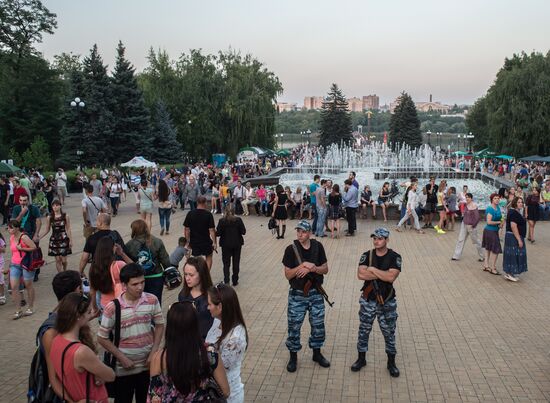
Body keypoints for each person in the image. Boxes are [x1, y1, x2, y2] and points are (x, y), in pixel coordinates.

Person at [98, 264, 165, 403]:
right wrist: (121, 357)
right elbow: (102, 338)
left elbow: (160, 325)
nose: (140, 287)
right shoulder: (112, 307)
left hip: (147, 367)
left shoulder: (152, 300)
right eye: (135, 284)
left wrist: (154, 351)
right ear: (124, 285)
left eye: (142, 282)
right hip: (123, 370)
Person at [147, 302, 230, 402]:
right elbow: (225, 391)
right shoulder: (210, 354)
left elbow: (154, 396)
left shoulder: (158, 358)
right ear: (195, 325)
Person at [351, 227, 400, 377]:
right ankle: (361, 359)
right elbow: (361, 275)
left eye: (380, 238)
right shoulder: (367, 255)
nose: (376, 241)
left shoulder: (394, 257)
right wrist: (381, 273)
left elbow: (391, 277)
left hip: (387, 301)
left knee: (389, 332)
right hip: (368, 301)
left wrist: (372, 270)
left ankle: (391, 362)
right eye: (374, 238)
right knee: (364, 330)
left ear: (387, 240)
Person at [282, 220, 330, 372]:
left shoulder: (318, 247)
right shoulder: (291, 249)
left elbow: (325, 269)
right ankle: (293, 357)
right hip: (297, 295)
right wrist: (301, 267)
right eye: (298, 231)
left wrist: (313, 268)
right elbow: (288, 274)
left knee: (318, 326)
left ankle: (317, 354)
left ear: (309, 232)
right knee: (294, 326)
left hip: (316, 293)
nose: (300, 234)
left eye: (303, 231)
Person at [50, 292, 115, 402]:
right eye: (89, 312)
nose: (91, 315)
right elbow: (110, 376)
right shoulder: (81, 352)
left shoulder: (56, 340)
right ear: (78, 317)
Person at [37, 271, 85, 401]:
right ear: (77, 290)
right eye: (82, 286)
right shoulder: (51, 331)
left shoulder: (71, 318)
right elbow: (54, 378)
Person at [206, 284, 248, 403]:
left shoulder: (236, 339)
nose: (207, 307)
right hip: (213, 391)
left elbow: (219, 367)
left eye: (210, 304)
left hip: (228, 396)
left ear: (220, 306)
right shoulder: (217, 321)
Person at [125, 219, 171, 305]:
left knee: (140, 303)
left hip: (138, 279)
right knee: (156, 302)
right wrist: (168, 277)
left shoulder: (129, 245)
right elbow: (165, 261)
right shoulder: (157, 241)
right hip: (157, 276)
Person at [90, 236, 133, 314]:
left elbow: (93, 291)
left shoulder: (94, 268)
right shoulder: (118, 265)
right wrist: (122, 253)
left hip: (105, 304)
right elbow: (135, 268)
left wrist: (95, 307)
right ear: (113, 248)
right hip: (120, 302)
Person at [178, 256, 214, 340]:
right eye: (185, 274)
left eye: (191, 275)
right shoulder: (183, 295)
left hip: (208, 341)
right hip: (188, 341)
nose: (187, 278)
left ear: (201, 274)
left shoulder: (212, 295)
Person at [7, 219, 37, 319]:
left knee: (28, 285)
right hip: (14, 264)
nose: (9, 229)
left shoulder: (24, 237)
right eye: (8, 227)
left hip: (26, 264)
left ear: (17, 228)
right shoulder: (11, 238)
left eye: (11, 228)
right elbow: (13, 251)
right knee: (14, 286)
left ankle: (31, 307)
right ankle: (18, 310)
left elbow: (34, 247)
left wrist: (22, 249)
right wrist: (10, 264)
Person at [184, 195, 217, 270]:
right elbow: (212, 230)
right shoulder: (208, 214)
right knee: (209, 257)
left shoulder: (190, 213)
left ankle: (197, 274)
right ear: (205, 203)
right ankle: (206, 275)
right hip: (206, 241)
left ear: (197, 203)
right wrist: (214, 242)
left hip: (194, 241)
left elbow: (187, 229)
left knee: (196, 259)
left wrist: (187, 242)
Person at [39, 199, 73, 273]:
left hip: (64, 239)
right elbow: (47, 229)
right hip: (54, 240)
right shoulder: (49, 217)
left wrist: (70, 240)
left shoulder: (65, 216)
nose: (55, 207)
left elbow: (68, 229)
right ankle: (60, 274)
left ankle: (64, 270)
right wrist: (40, 237)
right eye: (53, 206)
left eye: (57, 205)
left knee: (64, 260)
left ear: (60, 206)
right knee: (57, 260)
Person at [216, 205, 246, 286]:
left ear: (225, 211)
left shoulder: (222, 221)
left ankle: (226, 281)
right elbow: (243, 232)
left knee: (226, 263)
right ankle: (235, 280)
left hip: (225, 245)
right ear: (234, 211)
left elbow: (218, 234)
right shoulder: (238, 220)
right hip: (237, 244)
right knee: (236, 262)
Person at [451, 193, 485, 262]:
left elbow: (477, 217)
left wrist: (473, 225)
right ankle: (456, 256)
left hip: (471, 226)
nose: (467, 198)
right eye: (466, 197)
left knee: (476, 241)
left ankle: (483, 256)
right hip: (464, 224)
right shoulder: (466, 204)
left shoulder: (474, 205)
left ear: (471, 198)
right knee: (460, 239)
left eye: (468, 197)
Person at [503, 197, 528, 282]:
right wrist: (519, 240)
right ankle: (509, 273)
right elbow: (513, 226)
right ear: (515, 203)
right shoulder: (513, 212)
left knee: (514, 254)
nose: (520, 204)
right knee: (513, 254)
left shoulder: (514, 211)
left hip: (513, 236)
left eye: (521, 202)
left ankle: (510, 273)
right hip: (513, 237)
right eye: (518, 202)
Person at [482, 193, 503, 276]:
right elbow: (489, 222)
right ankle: (493, 268)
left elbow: (500, 217)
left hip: (494, 231)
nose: (497, 199)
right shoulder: (490, 209)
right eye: (495, 198)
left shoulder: (497, 207)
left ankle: (486, 265)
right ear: (492, 199)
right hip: (490, 231)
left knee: (489, 248)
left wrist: (501, 223)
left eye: (498, 198)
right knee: (495, 249)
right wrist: (499, 222)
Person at [0, 232, 6, 304]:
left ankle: (2, 296)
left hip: (0, 262)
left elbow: (4, 250)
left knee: (0, 280)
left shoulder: (0, 240)